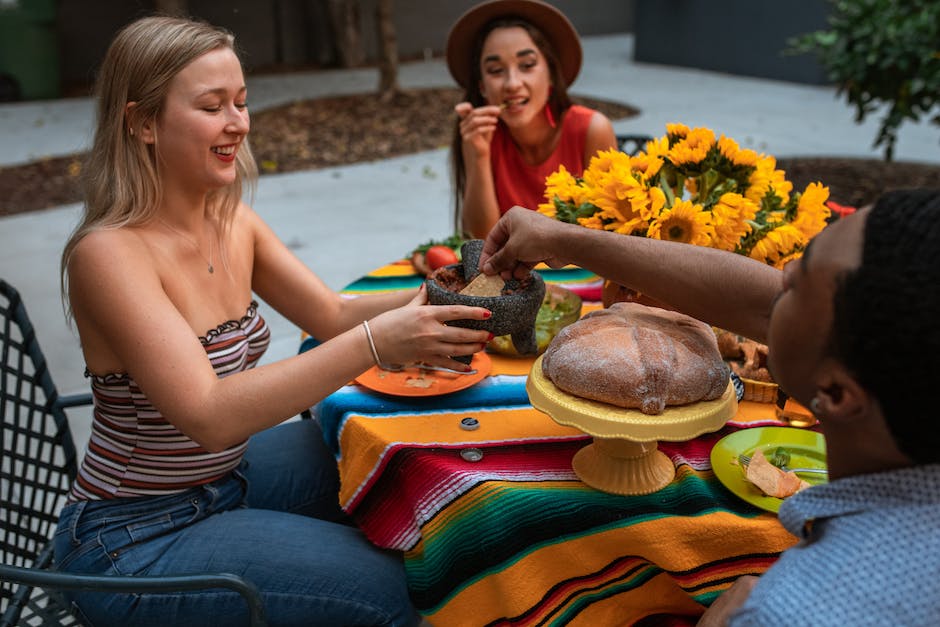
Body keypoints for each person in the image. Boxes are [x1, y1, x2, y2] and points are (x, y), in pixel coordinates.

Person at [54, 15, 492, 627]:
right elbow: (210, 415)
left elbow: (332, 314)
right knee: (398, 593)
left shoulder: (232, 219)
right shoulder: (108, 255)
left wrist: (440, 298)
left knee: (403, 460)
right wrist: (375, 343)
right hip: (130, 541)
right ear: (142, 122)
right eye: (213, 106)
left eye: (241, 101)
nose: (238, 122)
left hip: (226, 479)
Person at [478, 190, 940, 625]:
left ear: (837, 396)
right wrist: (562, 237)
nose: (783, 276)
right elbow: (763, 301)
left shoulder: (800, 608)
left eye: (797, 287)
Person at [445, 0, 617, 239]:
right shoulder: (480, 137)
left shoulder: (592, 130)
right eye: (496, 70)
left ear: (551, 76)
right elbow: (479, 241)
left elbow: (614, 235)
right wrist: (478, 156)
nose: (513, 83)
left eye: (527, 65)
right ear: (482, 87)